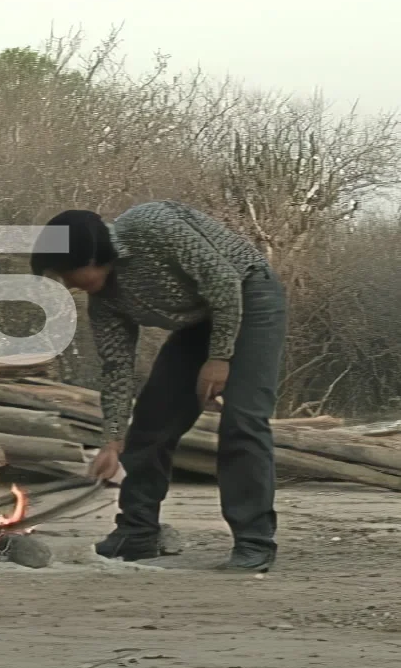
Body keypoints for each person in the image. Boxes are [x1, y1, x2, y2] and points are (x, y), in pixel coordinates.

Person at [30, 202, 287, 572]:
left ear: (92, 255)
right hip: (199, 321)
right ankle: (137, 532)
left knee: (242, 421)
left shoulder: (152, 226)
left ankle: (254, 542)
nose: (68, 284)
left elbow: (224, 281)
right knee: (152, 422)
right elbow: (117, 368)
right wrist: (112, 440)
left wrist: (220, 358)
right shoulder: (105, 304)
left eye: (69, 273)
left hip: (249, 294)